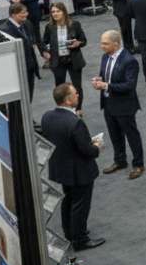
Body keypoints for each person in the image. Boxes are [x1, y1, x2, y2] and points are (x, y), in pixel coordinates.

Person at [42, 83, 105, 250]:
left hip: (61, 168)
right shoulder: (75, 122)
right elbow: (87, 151)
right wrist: (97, 146)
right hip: (79, 171)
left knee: (68, 200)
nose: (78, 96)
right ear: (68, 101)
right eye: (76, 94)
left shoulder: (47, 116)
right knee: (80, 205)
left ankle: (69, 233)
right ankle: (80, 239)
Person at [93, 30, 145, 180]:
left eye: (105, 43)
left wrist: (106, 86)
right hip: (109, 104)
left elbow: (130, 85)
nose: (102, 46)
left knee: (132, 135)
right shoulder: (105, 57)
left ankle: (138, 164)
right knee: (114, 135)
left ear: (115, 45)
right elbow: (105, 75)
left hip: (124, 105)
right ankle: (120, 160)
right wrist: (99, 80)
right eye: (102, 43)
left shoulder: (130, 61)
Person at [41, 3, 87, 110]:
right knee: (60, 88)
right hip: (58, 61)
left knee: (77, 87)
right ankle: (63, 109)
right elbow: (43, 43)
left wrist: (78, 44)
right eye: (53, 12)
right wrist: (45, 52)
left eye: (58, 11)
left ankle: (78, 109)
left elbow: (83, 40)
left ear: (63, 12)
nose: (55, 14)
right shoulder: (50, 27)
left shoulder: (74, 24)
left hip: (73, 60)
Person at [0, 1, 42, 99]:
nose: (25, 15)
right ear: (13, 14)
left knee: (28, 97)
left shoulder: (26, 24)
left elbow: (33, 39)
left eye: (26, 12)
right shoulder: (4, 30)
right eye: (22, 13)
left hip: (29, 68)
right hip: (16, 71)